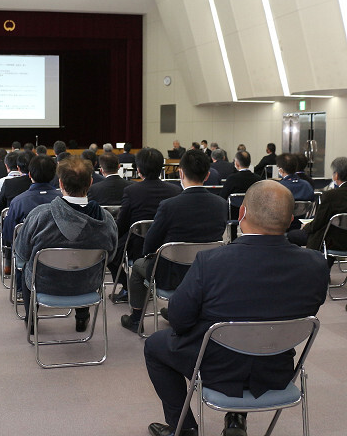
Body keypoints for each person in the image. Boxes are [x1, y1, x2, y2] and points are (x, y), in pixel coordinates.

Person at [144, 181, 329, 436]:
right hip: (275, 368)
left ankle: (183, 429)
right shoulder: (317, 265)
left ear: (241, 214)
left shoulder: (211, 262)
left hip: (215, 368)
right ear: (290, 220)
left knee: (154, 345)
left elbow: (178, 320)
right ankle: (235, 422)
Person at [121, 150, 227, 332]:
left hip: (171, 275)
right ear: (208, 175)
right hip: (206, 273)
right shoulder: (220, 204)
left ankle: (136, 319)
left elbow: (150, 245)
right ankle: (182, 312)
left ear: (181, 173)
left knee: (138, 267)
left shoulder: (169, 205)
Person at [14, 155, 118, 331]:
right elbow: (111, 256)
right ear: (91, 182)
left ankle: (31, 320)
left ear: (60, 183)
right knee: (83, 265)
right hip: (88, 284)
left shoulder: (40, 215)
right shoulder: (106, 220)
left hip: (44, 284)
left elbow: (22, 252)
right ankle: (82, 318)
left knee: (26, 267)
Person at [109, 148, 181, 302]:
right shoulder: (175, 190)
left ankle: (128, 287)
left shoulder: (131, 191)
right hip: (168, 246)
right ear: (162, 168)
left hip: (138, 247)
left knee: (108, 252)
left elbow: (121, 226)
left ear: (139, 170)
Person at [2, 156, 60, 295]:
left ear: (29, 175)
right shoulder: (63, 200)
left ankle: (22, 291)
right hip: (60, 253)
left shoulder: (18, 201)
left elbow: (9, 235)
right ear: (54, 174)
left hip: (29, 255)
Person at [296, 157, 347, 252]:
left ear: (336, 175)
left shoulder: (330, 196)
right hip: (341, 240)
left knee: (293, 235)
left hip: (332, 242)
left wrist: (305, 227)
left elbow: (318, 223)